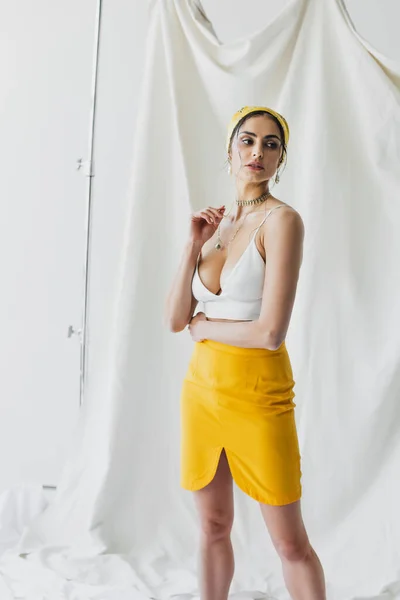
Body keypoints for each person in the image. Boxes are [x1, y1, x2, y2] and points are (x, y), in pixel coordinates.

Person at [165, 106, 326, 600]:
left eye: (272, 144)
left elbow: (270, 333)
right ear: (230, 148)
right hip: (203, 393)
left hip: (259, 393)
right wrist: (192, 246)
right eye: (248, 140)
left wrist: (205, 327)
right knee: (213, 526)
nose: (258, 152)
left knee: (290, 541)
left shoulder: (283, 222)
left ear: (281, 159)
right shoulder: (217, 222)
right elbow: (176, 321)